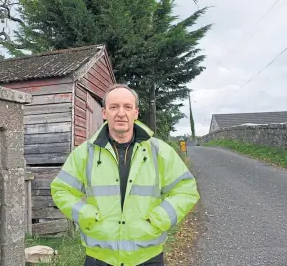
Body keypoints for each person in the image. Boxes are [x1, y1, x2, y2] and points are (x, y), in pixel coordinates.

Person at [50, 84, 200, 266]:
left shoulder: (160, 151)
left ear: (136, 113)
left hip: (148, 257)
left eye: (127, 107)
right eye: (114, 107)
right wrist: (84, 213)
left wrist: (160, 218)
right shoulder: (84, 153)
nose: (121, 113)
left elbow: (186, 189)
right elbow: (61, 189)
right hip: (99, 257)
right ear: (104, 113)